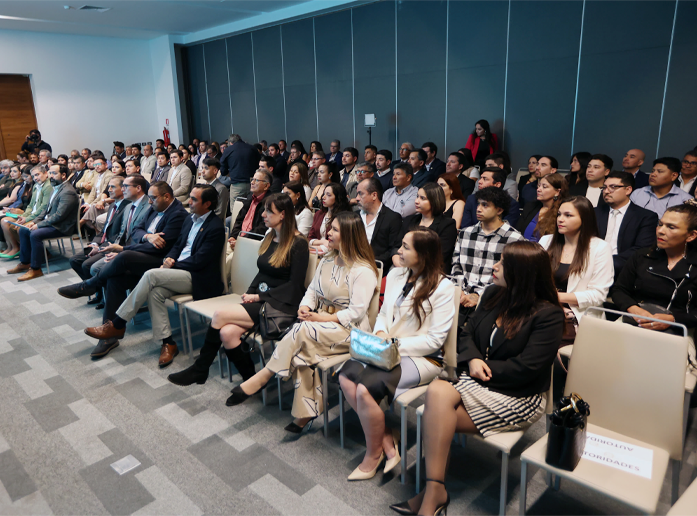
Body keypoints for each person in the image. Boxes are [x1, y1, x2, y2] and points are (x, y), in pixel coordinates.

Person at [391, 241, 564, 516]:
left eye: (503, 263)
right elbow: (466, 333)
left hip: (518, 394)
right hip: (476, 379)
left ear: (521, 273)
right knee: (437, 393)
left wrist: (482, 367)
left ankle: (431, 494)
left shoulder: (548, 314)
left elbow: (528, 368)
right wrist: (472, 359)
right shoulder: (494, 293)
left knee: (436, 413)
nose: (495, 266)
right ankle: (435, 491)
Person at [227, 212, 379, 433]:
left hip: (350, 331)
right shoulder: (327, 259)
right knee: (301, 350)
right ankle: (306, 412)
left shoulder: (363, 270)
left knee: (302, 330)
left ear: (349, 236)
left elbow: (356, 312)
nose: (329, 233)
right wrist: (305, 306)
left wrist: (322, 317)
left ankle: (264, 376)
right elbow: (312, 291)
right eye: (331, 228)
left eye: (335, 230)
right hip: (320, 324)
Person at [340, 228, 455, 480]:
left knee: (364, 389)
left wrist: (393, 344)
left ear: (423, 254)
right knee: (346, 376)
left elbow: (435, 340)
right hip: (387, 348)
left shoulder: (443, 287)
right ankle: (386, 440)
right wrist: (381, 332)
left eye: (405, 247)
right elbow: (383, 314)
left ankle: (373, 455)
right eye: (401, 245)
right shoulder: (396, 274)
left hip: (422, 357)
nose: (399, 251)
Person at [168, 193, 310, 387]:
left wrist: (258, 296)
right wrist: (250, 294)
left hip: (281, 304)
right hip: (262, 299)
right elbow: (262, 273)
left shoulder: (298, 243)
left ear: (283, 214)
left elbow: (295, 285)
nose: (263, 215)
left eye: (269, 211)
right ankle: (251, 382)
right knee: (227, 334)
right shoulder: (271, 236)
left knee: (219, 315)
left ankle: (200, 369)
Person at [83, 185, 225, 366]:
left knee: (151, 275)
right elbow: (178, 245)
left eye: (194, 199)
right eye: (190, 197)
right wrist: (169, 258)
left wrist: (172, 264)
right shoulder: (190, 220)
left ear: (207, 204)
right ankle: (168, 343)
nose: (189, 201)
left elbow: (200, 260)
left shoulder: (215, 227)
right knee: (155, 292)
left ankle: (117, 324)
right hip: (178, 271)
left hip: (199, 278)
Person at [57, 182, 189, 357]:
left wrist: (125, 248)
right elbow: (136, 230)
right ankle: (109, 337)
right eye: (149, 198)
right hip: (143, 256)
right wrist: (148, 236)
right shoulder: (155, 207)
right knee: (115, 280)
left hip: (160, 261)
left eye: (153, 198)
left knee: (124, 256)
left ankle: (90, 284)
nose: (150, 202)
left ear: (166, 196)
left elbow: (159, 248)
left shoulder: (178, 214)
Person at [612, 202, 697, 335]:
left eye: (671, 227)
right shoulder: (642, 256)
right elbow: (619, 290)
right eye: (660, 224)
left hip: (679, 329)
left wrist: (673, 319)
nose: (661, 231)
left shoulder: (694, 264)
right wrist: (634, 309)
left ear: (691, 235)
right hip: (634, 321)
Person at [539, 196, 614, 331]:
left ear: (584, 219)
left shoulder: (600, 247)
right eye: (559, 214)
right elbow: (532, 280)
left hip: (577, 314)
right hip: (542, 307)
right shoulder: (546, 241)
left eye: (568, 215)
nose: (560, 219)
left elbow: (598, 295)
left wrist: (554, 297)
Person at [451, 187, 525, 312]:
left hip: (494, 301)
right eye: (478, 204)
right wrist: (460, 290)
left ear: (499, 210)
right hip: (460, 297)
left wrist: (479, 295)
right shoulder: (465, 233)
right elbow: (456, 264)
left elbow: (510, 277)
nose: (478, 209)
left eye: (485, 205)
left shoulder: (514, 239)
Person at [8, 164, 79, 281]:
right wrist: (33, 221)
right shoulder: (55, 187)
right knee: (24, 229)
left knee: (35, 234)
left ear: (63, 175)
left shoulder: (68, 191)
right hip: (53, 223)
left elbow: (59, 216)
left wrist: (38, 225)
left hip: (62, 227)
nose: (51, 176)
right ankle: (25, 262)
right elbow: (46, 211)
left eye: (54, 173)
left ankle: (36, 269)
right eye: (50, 173)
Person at [68, 177, 131, 303]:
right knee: (74, 260)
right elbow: (104, 230)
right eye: (109, 186)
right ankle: (96, 289)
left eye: (113, 187)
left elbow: (120, 236)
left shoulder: (127, 207)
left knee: (87, 265)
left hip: (112, 245)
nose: (109, 190)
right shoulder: (113, 205)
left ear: (123, 189)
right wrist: (94, 243)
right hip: (102, 242)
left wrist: (100, 248)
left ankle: (100, 295)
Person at [596, 172, 658, 279]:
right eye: (604, 187)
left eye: (613, 187)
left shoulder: (645, 216)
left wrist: (606, 262)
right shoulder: (594, 213)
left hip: (624, 269)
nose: (606, 191)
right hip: (592, 266)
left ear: (628, 190)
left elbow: (642, 248)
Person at [393, 183, 457, 271]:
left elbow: (439, 256)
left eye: (422, 198)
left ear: (434, 201)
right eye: (417, 196)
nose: (416, 201)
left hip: (431, 272)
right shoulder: (409, 220)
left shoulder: (447, 224)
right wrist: (398, 263)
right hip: (403, 268)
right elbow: (396, 247)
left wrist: (410, 268)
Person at [0, 166, 51, 260]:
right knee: (6, 222)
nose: (35, 178)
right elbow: (31, 206)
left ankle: (37, 253)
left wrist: (26, 218)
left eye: (37, 174)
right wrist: (24, 216)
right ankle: (18, 248)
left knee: (19, 228)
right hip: (31, 215)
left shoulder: (48, 187)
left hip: (40, 217)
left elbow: (44, 208)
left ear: (46, 173)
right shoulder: (36, 185)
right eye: (33, 176)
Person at [356, 177, 402, 275]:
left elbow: (392, 249)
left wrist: (369, 264)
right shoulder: (354, 216)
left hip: (376, 269)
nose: (357, 198)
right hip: (351, 266)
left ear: (374, 195)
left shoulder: (392, 218)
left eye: (361, 194)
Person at [517, 173, 567, 243]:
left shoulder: (562, 212)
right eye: (539, 186)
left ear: (557, 192)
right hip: (523, 246)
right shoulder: (530, 206)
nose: (538, 189)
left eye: (544, 187)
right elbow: (518, 231)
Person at [228, 169, 272, 247]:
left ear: (266, 186)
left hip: (253, 244)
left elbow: (261, 229)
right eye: (252, 179)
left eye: (256, 180)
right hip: (239, 240)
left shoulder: (270, 203)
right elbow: (239, 220)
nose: (252, 182)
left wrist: (242, 241)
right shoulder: (249, 197)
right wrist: (233, 236)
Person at [308, 182, 351, 253]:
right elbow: (310, 238)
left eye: (328, 195)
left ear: (338, 198)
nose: (323, 197)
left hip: (334, 254)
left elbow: (337, 245)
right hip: (316, 252)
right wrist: (323, 242)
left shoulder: (343, 218)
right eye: (324, 194)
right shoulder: (319, 214)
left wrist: (313, 247)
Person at [219, 134, 260, 199]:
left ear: (230, 143)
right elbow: (259, 164)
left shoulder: (228, 150)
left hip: (237, 185)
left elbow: (223, 170)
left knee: (236, 205)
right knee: (252, 204)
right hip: (253, 183)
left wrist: (228, 173)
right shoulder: (252, 148)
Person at [200, 157, 229, 221]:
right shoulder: (202, 186)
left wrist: (201, 219)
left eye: (206, 168)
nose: (202, 171)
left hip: (211, 222)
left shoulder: (221, 189)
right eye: (202, 168)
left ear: (215, 171)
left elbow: (219, 213)